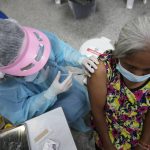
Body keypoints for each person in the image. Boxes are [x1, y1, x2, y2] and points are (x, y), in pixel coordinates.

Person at [0, 18, 99, 132]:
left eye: (37, 51)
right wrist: (49, 95)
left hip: (64, 82)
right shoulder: (4, 89)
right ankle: (81, 127)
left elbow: (61, 50)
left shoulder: (35, 38)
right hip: (49, 107)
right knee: (69, 116)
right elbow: (20, 113)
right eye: (27, 65)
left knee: (82, 98)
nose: (38, 59)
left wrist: (80, 59)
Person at [87, 16, 150, 150]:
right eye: (131, 66)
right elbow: (97, 112)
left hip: (138, 134)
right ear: (118, 53)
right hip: (107, 134)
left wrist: (143, 143)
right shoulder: (102, 71)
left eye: (147, 70)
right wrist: (108, 145)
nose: (137, 75)